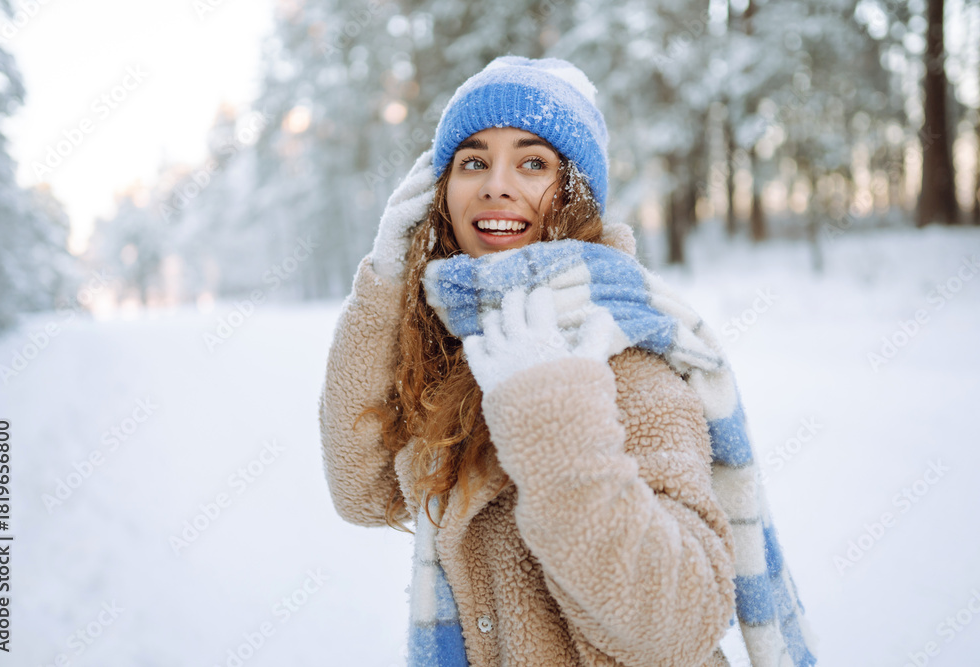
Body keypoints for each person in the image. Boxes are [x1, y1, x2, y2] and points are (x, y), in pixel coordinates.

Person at [319, 56, 816, 667]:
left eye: (533, 163)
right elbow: (363, 493)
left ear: (577, 192)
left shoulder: (617, 347)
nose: (496, 185)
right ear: (439, 194)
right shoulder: (469, 344)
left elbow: (680, 625)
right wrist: (386, 287)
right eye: (473, 162)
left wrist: (551, 416)